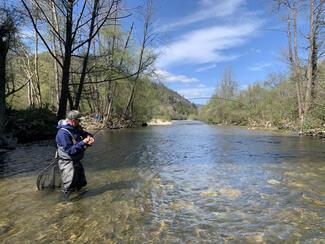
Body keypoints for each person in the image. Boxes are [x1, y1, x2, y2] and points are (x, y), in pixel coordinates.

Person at [55, 110, 95, 201]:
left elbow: (84, 134)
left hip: (76, 161)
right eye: (78, 120)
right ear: (72, 120)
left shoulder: (75, 127)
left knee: (80, 183)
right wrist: (83, 142)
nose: (80, 122)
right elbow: (70, 151)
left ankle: (79, 201)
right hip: (67, 163)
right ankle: (63, 203)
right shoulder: (63, 133)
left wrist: (89, 137)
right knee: (67, 187)